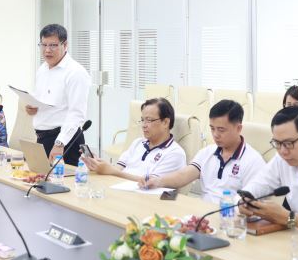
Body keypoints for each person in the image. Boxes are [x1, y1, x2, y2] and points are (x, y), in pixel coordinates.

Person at [140, 99, 264, 202]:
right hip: (203, 214)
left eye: (221, 130)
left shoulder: (253, 161)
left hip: (231, 217)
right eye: (212, 128)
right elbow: (183, 175)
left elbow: (253, 202)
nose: (215, 135)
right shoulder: (207, 152)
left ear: (238, 128)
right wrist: (158, 181)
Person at [27, 24, 90, 166]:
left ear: (65, 45)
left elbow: (77, 113)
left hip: (65, 141)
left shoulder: (76, 73)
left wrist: (60, 143)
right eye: (44, 45)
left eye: (53, 45)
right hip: (42, 138)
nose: (47, 50)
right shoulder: (42, 69)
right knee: (39, 178)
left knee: (64, 180)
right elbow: (43, 99)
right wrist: (33, 107)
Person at [84, 98, 186, 181]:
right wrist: (98, 164)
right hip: (121, 190)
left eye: (149, 120)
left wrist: (112, 171)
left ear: (165, 122)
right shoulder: (138, 143)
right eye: (142, 120)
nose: (143, 125)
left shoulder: (175, 153)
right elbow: (118, 168)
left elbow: (151, 183)